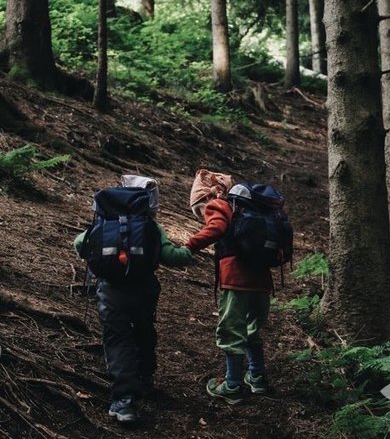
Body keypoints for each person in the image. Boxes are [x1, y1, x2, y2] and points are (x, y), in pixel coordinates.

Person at [74, 175, 193, 423]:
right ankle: (145, 380)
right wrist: (189, 251)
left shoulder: (105, 221)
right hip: (144, 290)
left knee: (118, 340)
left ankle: (125, 400)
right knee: (144, 331)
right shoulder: (150, 226)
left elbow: (80, 244)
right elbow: (172, 256)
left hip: (111, 291)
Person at [185, 169, 273, 405]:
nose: (202, 215)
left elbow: (216, 229)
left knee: (231, 331)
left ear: (205, 198)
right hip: (262, 281)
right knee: (252, 329)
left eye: (199, 209)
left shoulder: (218, 204)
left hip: (236, 280)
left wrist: (189, 246)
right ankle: (257, 377)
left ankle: (232, 385)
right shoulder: (248, 208)